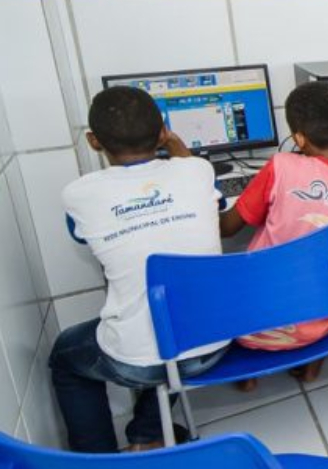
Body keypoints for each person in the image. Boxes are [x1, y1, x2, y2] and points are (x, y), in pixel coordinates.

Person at [51, 87, 228, 452]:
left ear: (93, 141)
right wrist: (184, 159)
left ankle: (98, 456)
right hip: (216, 343)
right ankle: (147, 434)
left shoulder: (79, 194)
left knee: (68, 354)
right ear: (163, 130)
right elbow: (217, 203)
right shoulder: (197, 171)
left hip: (143, 361)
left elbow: (82, 235)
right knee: (172, 318)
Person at [219, 82, 328, 388]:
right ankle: (312, 363)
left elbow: (228, 227)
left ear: (299, 138)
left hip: (253, 324)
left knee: (235, 273)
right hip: (323, 320)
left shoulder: (280, 167)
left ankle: (248, 374)